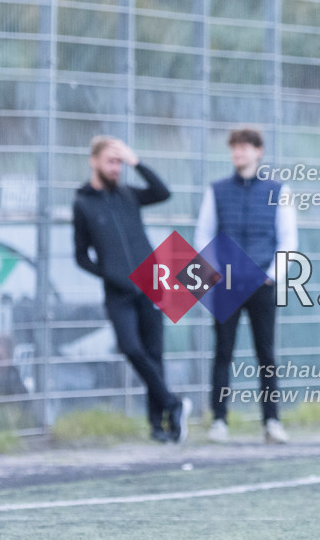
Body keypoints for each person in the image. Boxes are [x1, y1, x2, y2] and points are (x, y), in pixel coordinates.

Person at [72, 136, 190, 443]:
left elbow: (163, 192)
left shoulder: (129, 194)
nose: (116, 168)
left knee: (155, 353)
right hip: (118, 291)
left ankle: (160, 424)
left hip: (152, 282)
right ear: (94, 161)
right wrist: (110, 274)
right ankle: (173, 402)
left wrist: (135, 160)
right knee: (132, 349)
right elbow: (81, 256)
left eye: (119, 163)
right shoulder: (83, 203)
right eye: (111, 161)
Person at [195, 128, 297, 444]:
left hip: (261, 286)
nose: (238, 153)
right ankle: (219, 421)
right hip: (225, 286)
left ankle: (271, 422)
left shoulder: (279, 191)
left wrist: (271, 276)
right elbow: (203, 236)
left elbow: (288, 240)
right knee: (222, 353)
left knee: (265, 354)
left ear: (258, 151)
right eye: (234, 148)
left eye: (244, 147)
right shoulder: (216, 190)